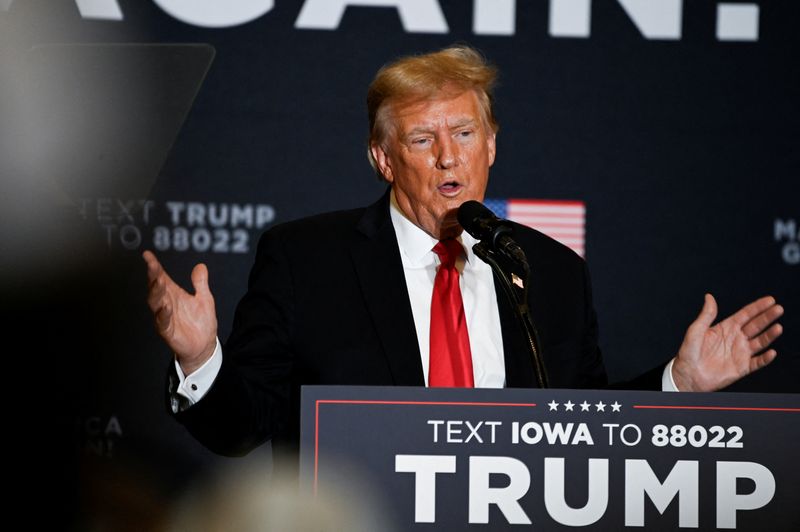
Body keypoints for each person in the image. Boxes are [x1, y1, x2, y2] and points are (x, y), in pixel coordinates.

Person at [143, 45, 783, 457]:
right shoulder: (307, 260)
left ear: (492, 145)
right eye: (423, 139)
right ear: (383, 158)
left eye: (465, 133)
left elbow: (586, 433)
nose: (449, 156)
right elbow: (242, 427)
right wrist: (202, 357)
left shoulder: (551, 272)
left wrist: (678, 384)